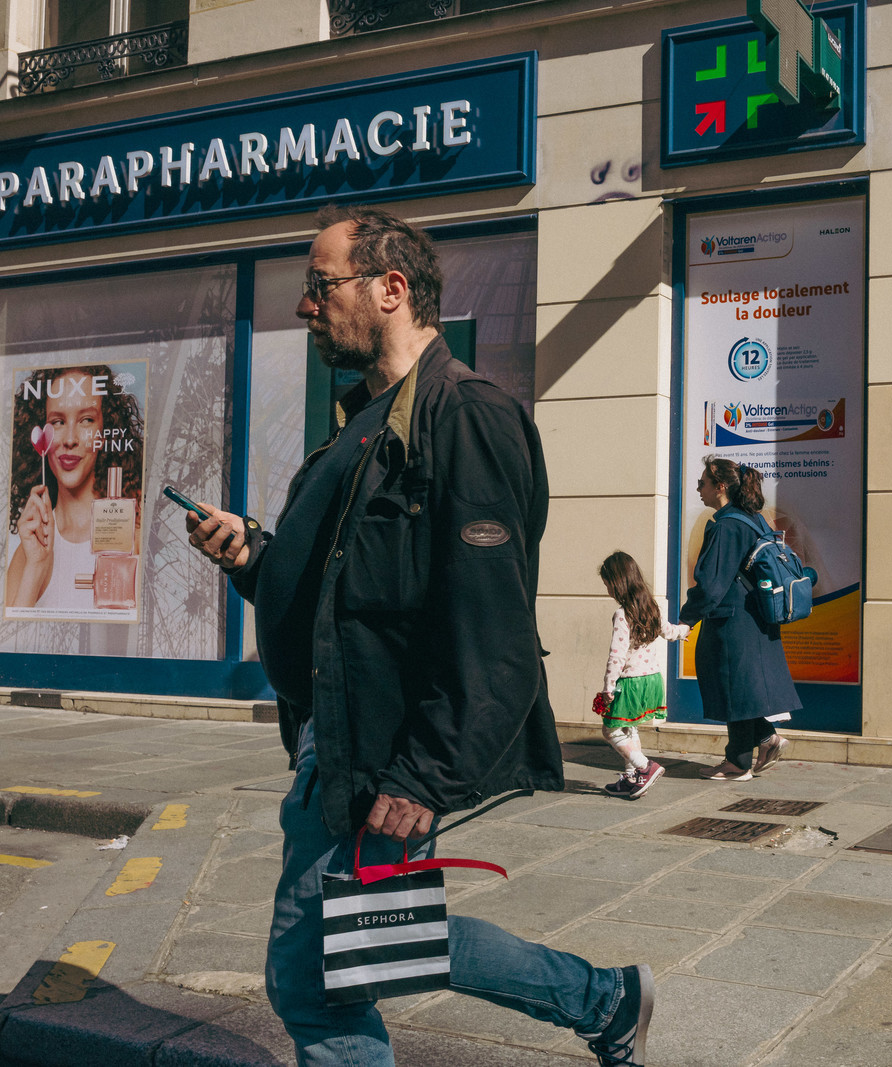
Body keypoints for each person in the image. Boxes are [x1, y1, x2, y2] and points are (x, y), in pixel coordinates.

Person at [181, 205, 652, 1066]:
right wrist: (254, 557)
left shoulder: (461, 415)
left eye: (321, 285)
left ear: (391, 288)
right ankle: (605, 998)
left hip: (381, 752)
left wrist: (427, 773)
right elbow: (352, 590)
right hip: (339, 737)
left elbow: (494, 626)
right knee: (371, 943)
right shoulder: (368, 422)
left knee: (314, 975)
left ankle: (604, 997)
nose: (305, 306)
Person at [680, 457, 800, 781]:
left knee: (734, 689)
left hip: (732, 622)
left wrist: (686, 619)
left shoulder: (726, 526)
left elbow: (710, 584)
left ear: (720, 486)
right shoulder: (753, 519)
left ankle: (737, 763)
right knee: (742, 690)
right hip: (756, 618)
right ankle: (764, 740)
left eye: (702, 483)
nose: (698, 488)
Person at [6, 364, 145, 611]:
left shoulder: (134, 529)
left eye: (86, 420)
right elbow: (11, 633)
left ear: (106, 429)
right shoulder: (28, 551)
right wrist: (36, 566)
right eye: (57, 422)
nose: (70, 439)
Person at [595, 550, 689, 800]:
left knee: (610, 730)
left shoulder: (622, 614)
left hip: (631, 682)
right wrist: (684, 631)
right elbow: (669, 632)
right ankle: (631, 778)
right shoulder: (650, 607)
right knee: (630, 728)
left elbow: (617, 656)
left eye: (608, 584)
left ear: (618, 582)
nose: (607, 590)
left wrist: (608, 687)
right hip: (652, 680)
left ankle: (645, 767)